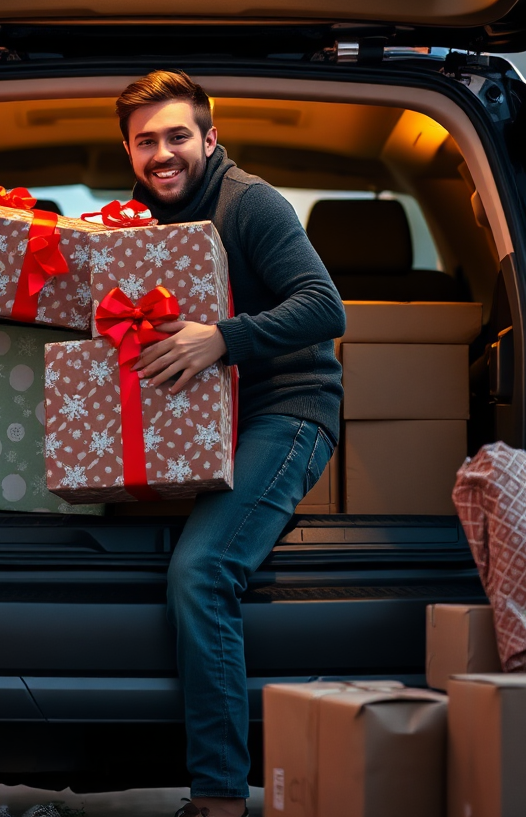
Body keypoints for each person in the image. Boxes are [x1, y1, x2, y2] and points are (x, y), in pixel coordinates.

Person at [116, 71, 346, 817]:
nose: (163, 153)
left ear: (210, 139)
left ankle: (217, 797)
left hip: (283, 413)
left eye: (177, 135)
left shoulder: (251, 202)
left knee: (202, 570)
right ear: (129, 151)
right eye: (146, 141)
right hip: (189, 423)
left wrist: (222, 338)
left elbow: (323, 307)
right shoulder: (130, 224)